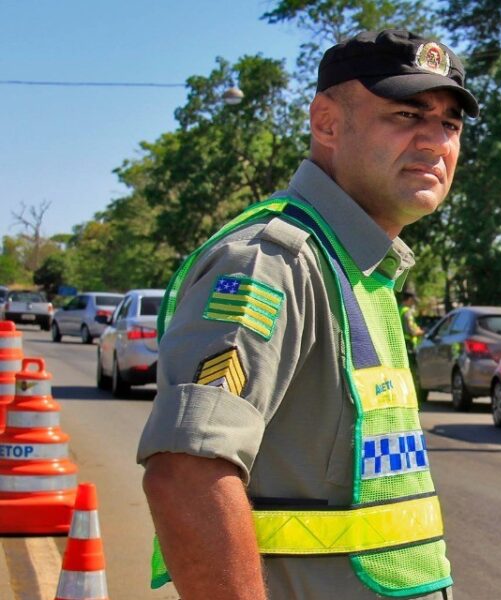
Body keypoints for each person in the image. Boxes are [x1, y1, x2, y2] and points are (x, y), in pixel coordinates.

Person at [137, 29, 478, 600]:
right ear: (326, 123)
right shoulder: (272, 263)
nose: (434, 141)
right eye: (405, 114)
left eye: (450, 124)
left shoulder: (360, 267)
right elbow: (186, 473)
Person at [399, 290, 426, 400]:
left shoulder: (399, 309)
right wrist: (421, 332)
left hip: (402, 344)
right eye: (413, 301)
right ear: (409, 300)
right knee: (413, 372)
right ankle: (413, 396)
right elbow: (411, 331)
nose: (413, 303)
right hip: (409, 345)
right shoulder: (407, 312)